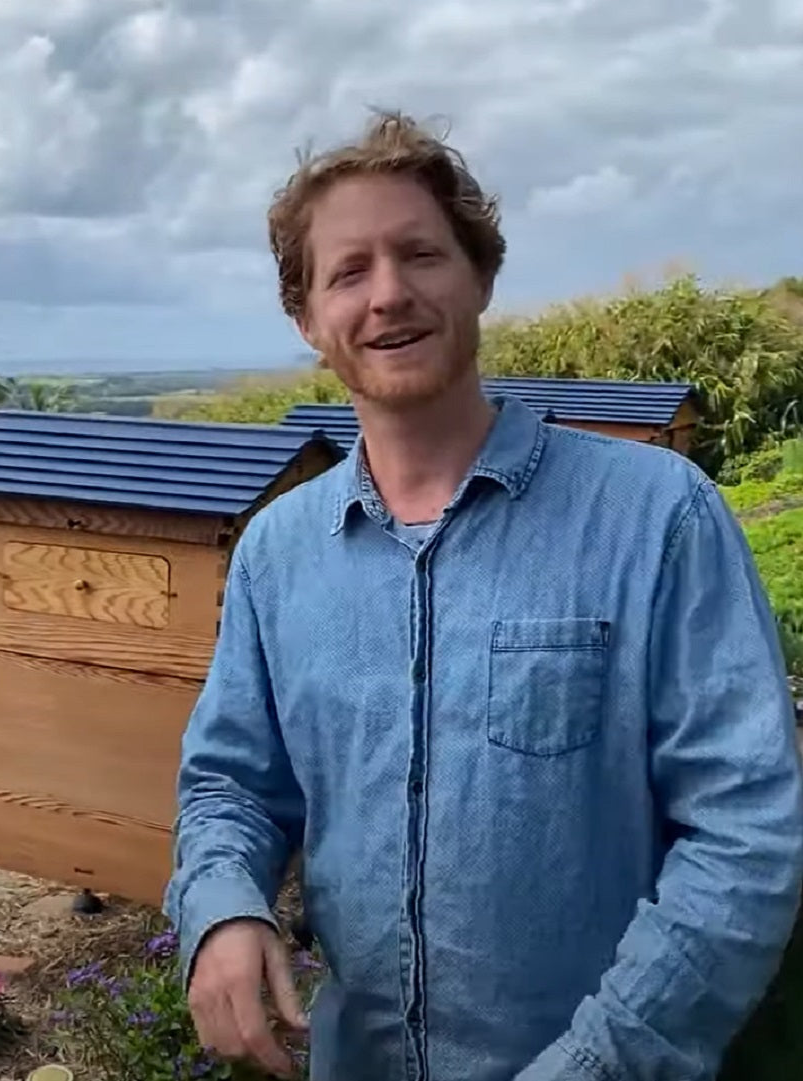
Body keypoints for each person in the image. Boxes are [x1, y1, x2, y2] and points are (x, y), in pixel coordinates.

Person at [161, 110, 803, 1080]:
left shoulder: (656, 516)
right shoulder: (276, 555)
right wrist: (221, 906)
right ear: (306, 318)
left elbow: (747, 833)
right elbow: (231, 785)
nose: (388, 295)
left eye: (420, 253)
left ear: (481, 276)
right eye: (348, 271)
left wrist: (595, 1062)